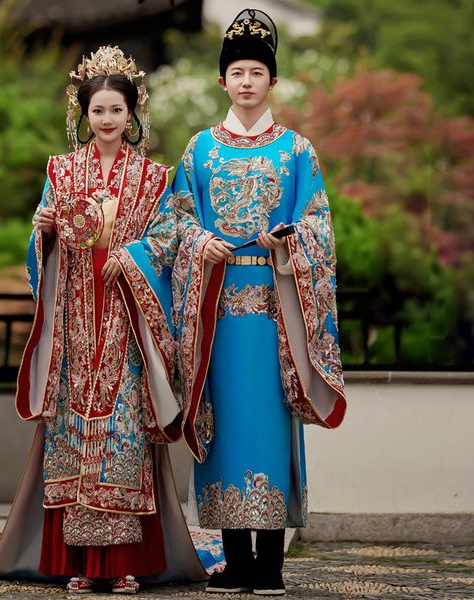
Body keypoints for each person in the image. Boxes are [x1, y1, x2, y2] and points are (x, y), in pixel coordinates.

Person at [0, 46, 206, 595]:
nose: (108, 120)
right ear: (82, 114)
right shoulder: (61, 171)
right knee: (71, 433)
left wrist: (134, 257)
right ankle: (75, 563)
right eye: (98, 111)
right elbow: (39, 245)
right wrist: (41, 229)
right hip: (73, 324)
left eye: (118, 110)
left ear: (134, 113)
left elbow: (172, 239)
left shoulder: (157, 178)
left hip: (127, 322)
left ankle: (125, 565)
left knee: (124, 437)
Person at [169, 9, 347, 596]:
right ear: (222, 81)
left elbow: (319, 225)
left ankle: (270, 562)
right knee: (222, 426)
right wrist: (201, 243)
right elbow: (174, 223)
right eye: (237, 72)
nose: (246, 82)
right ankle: (235, 560)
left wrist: (291, 242)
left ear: (273, 81)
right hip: (217, 311)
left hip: (275, 310)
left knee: (270, 427)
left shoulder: (297, 150)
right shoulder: (198, 149)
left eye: (257, 72)